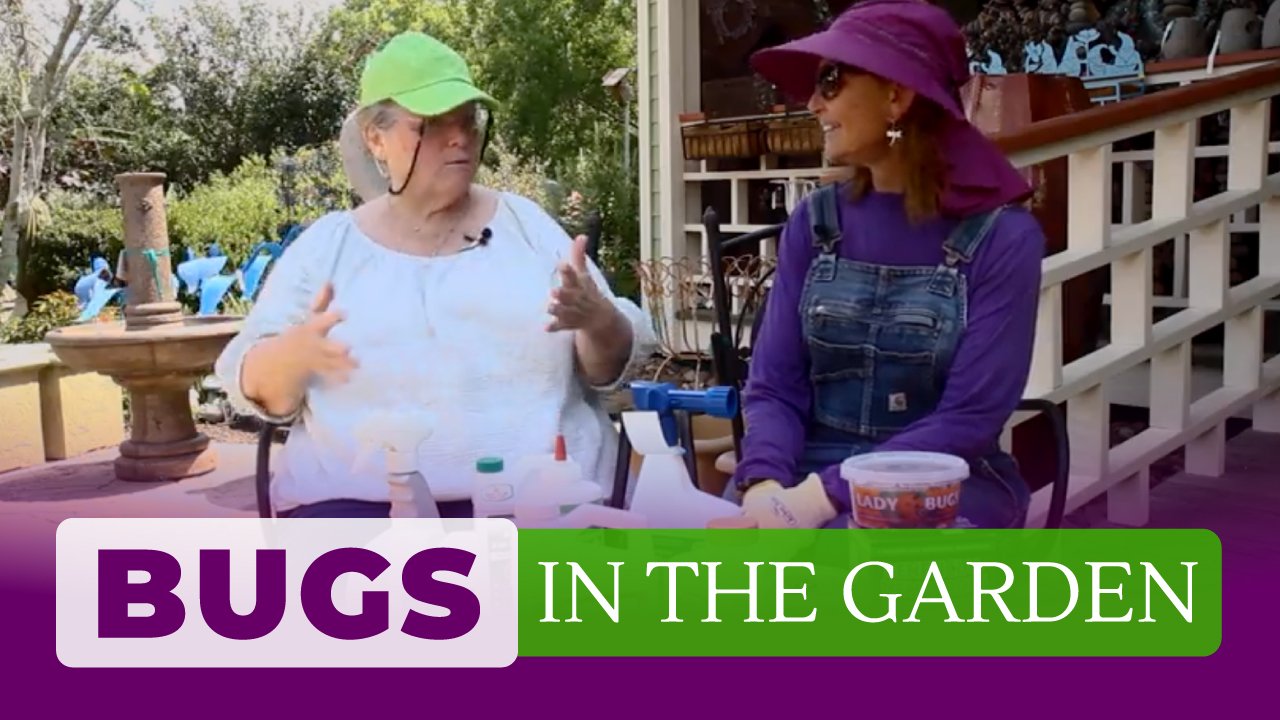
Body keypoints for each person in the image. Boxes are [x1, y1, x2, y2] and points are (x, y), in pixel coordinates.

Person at [214, 31, 656, 518]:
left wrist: (599, 322)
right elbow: (254, 383)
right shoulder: (328, 249)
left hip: (545, 502)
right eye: (432, 123)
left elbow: (609, 369)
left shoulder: (528, 229)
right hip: (358, 508)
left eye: (467, 119)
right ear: (375, 137)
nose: (459, 136)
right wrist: (290, 355)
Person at [723, 0, 1046, 530]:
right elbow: (774, 385)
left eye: (830, 81)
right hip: (805, 470)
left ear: (896, 95)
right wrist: (764, 486)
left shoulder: (1004, 240)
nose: (812, 103)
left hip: (945, 485)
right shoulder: (813, 224)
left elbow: (969, 418)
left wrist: (819, 500)